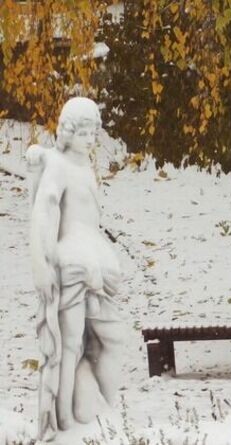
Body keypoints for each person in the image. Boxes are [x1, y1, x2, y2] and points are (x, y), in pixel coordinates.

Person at [28, 97, 124, 441]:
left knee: (109, 341)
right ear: (67, 132)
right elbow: (44, 211)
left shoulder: (84, 167)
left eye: (93, 132)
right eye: (82, 132)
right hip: (73, 263)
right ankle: (64, 420)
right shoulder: (58, 164)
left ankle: (106, 413)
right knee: (69, 346)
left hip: (95, 260)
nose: (89, 138)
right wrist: (43, 262)